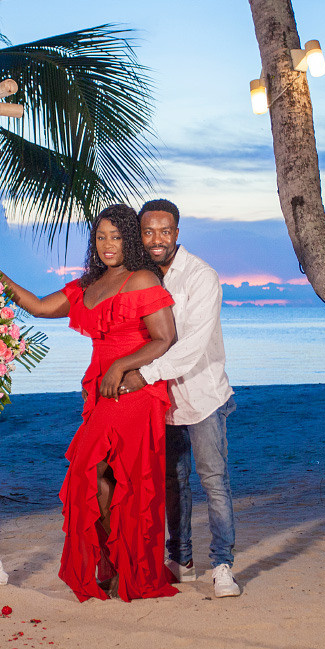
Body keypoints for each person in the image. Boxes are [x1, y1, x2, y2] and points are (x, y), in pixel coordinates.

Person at [0, 204, 179, 602]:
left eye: (116, 237)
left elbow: (165, 338)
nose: (107, 245)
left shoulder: (141, 279)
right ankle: (117, 563)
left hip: (133, 390)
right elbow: (41, 307)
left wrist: (119, 367)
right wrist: (0, 278)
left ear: (129, 240)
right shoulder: (88, 286)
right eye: (100, 237)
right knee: (102, 477)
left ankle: (130, 568)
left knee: (105, 471)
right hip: (102, 392)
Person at [119, 198, 241, 598]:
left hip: (203, 394)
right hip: (164, 400)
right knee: (173, 482)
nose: (157, 239)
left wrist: (142, 374)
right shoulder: (141, 277)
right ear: (140, 235)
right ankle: (181, 559)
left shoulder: (201, 277)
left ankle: (222, 565)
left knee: (214, 482)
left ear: (177, 233)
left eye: (165, 231)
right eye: (148, 231)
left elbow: (189, 347)